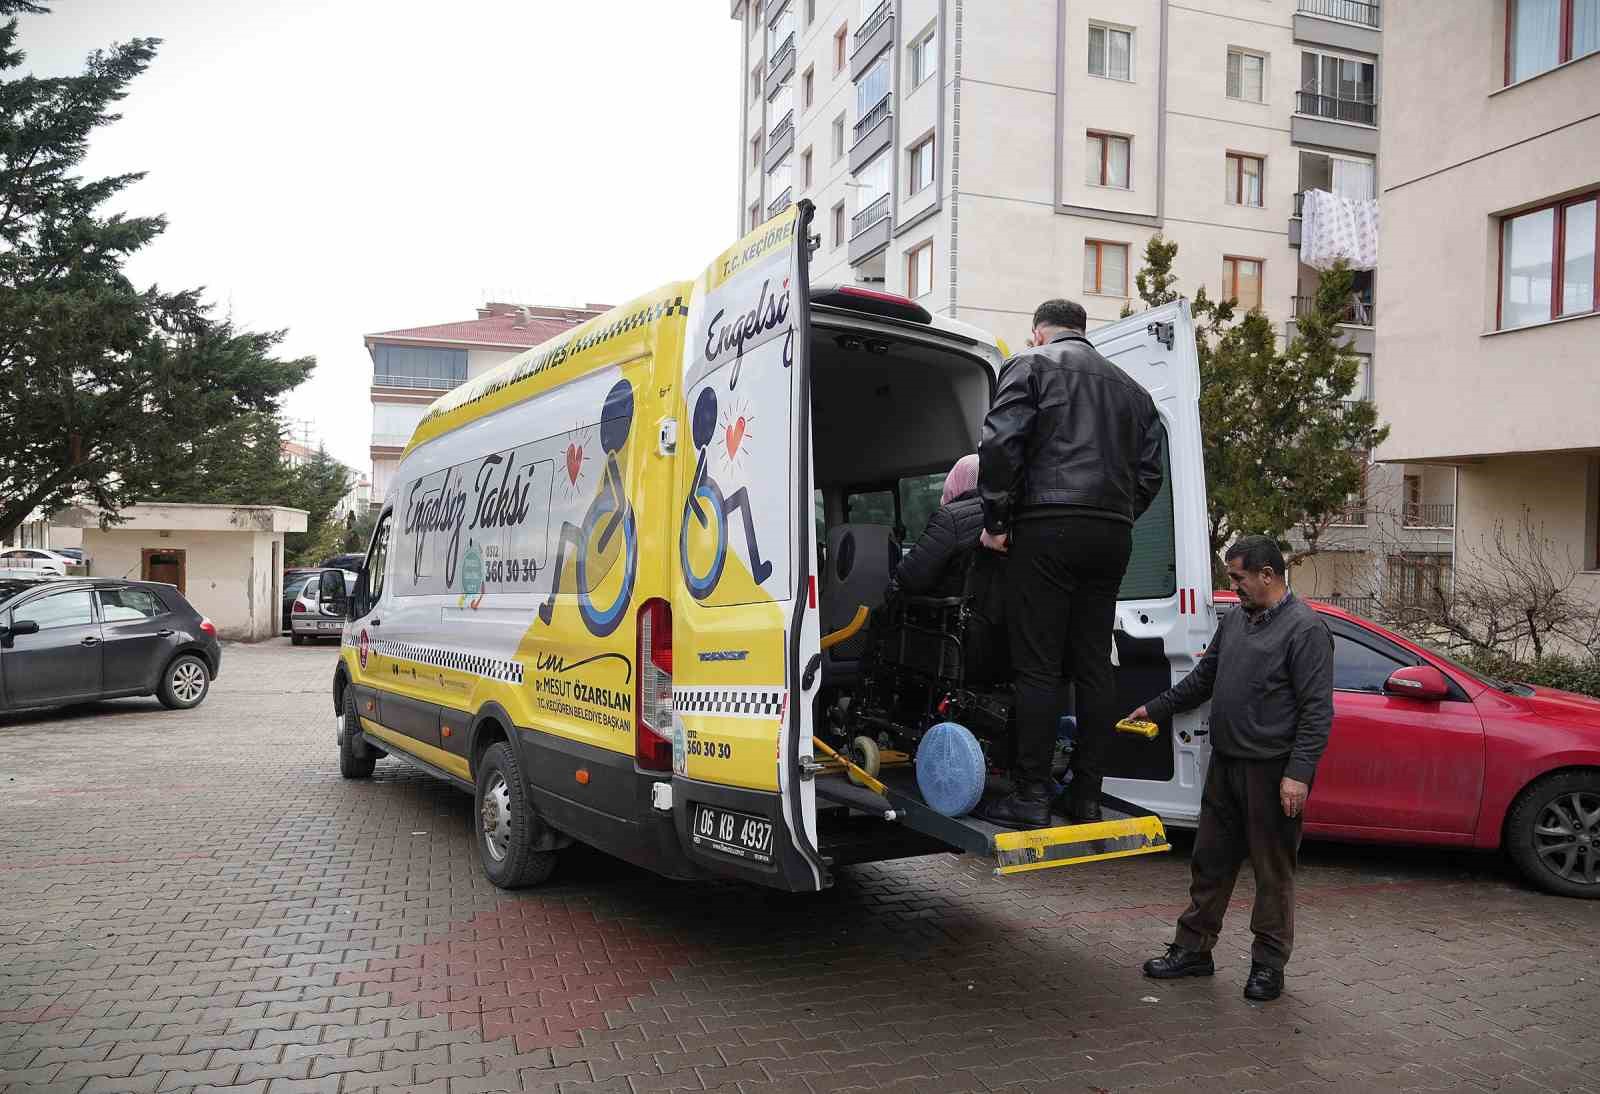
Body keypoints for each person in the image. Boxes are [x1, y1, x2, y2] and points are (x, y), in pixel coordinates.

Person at [975, 299, 1164, 829]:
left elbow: (1001, 443)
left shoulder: (1031, 365)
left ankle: (1031, 796)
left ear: (1039, 332)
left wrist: (996, 520)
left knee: (1036, 664)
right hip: (1111, 533)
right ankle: (1085, 793)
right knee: (1092, 665)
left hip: (1046, 526)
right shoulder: (1134, 390)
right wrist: (1118, 513)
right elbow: (1150, 474)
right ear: (1082, 331)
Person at [1135, 535, 1334, 1002]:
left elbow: (1316, 712)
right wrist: (1156, 709)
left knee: (1272, 873)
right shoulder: (1237, 621)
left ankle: (1268, 965)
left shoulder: (1305, 630)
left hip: (1272, 772)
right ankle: (1193, 951)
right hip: (1226, 765)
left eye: (1238, 578)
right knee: (1210, 862)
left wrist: (1299, 774)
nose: (1234, 587)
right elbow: (1205, 678)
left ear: (1268, 575)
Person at [890, 455, 1007, 681]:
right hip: (1004, 636)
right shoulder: (1011, 517)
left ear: (956, 481)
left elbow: (910, 578)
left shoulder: (951, 517)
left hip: (952, 635)